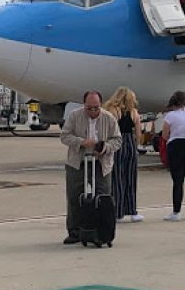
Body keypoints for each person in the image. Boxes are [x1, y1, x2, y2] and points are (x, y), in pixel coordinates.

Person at [60, 91, 121, 244]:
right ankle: (74, 231)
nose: (93, 111)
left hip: (101, 163)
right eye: (89, 108)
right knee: (74, 196)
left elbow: (118, 140)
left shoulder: (109, 118)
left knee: (103, 195)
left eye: (96, 108)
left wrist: (105, 147)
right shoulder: (75, 116)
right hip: (77, 161)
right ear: (84, 105)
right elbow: (64, 136)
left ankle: (102, 231)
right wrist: (81, 142)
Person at [104, 87, 144, 223]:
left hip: (117, 144)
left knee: (117, 178)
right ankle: (132, 210)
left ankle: (118, 211)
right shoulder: (134, 113)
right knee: (130, 178)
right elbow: (138, 134)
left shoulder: (112, 111)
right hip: (130, 144)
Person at [162, 91, 185, 221]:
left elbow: (165, 135)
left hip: (176, 146)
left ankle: (176, 212)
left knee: (178, 181)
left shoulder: (170, 116)